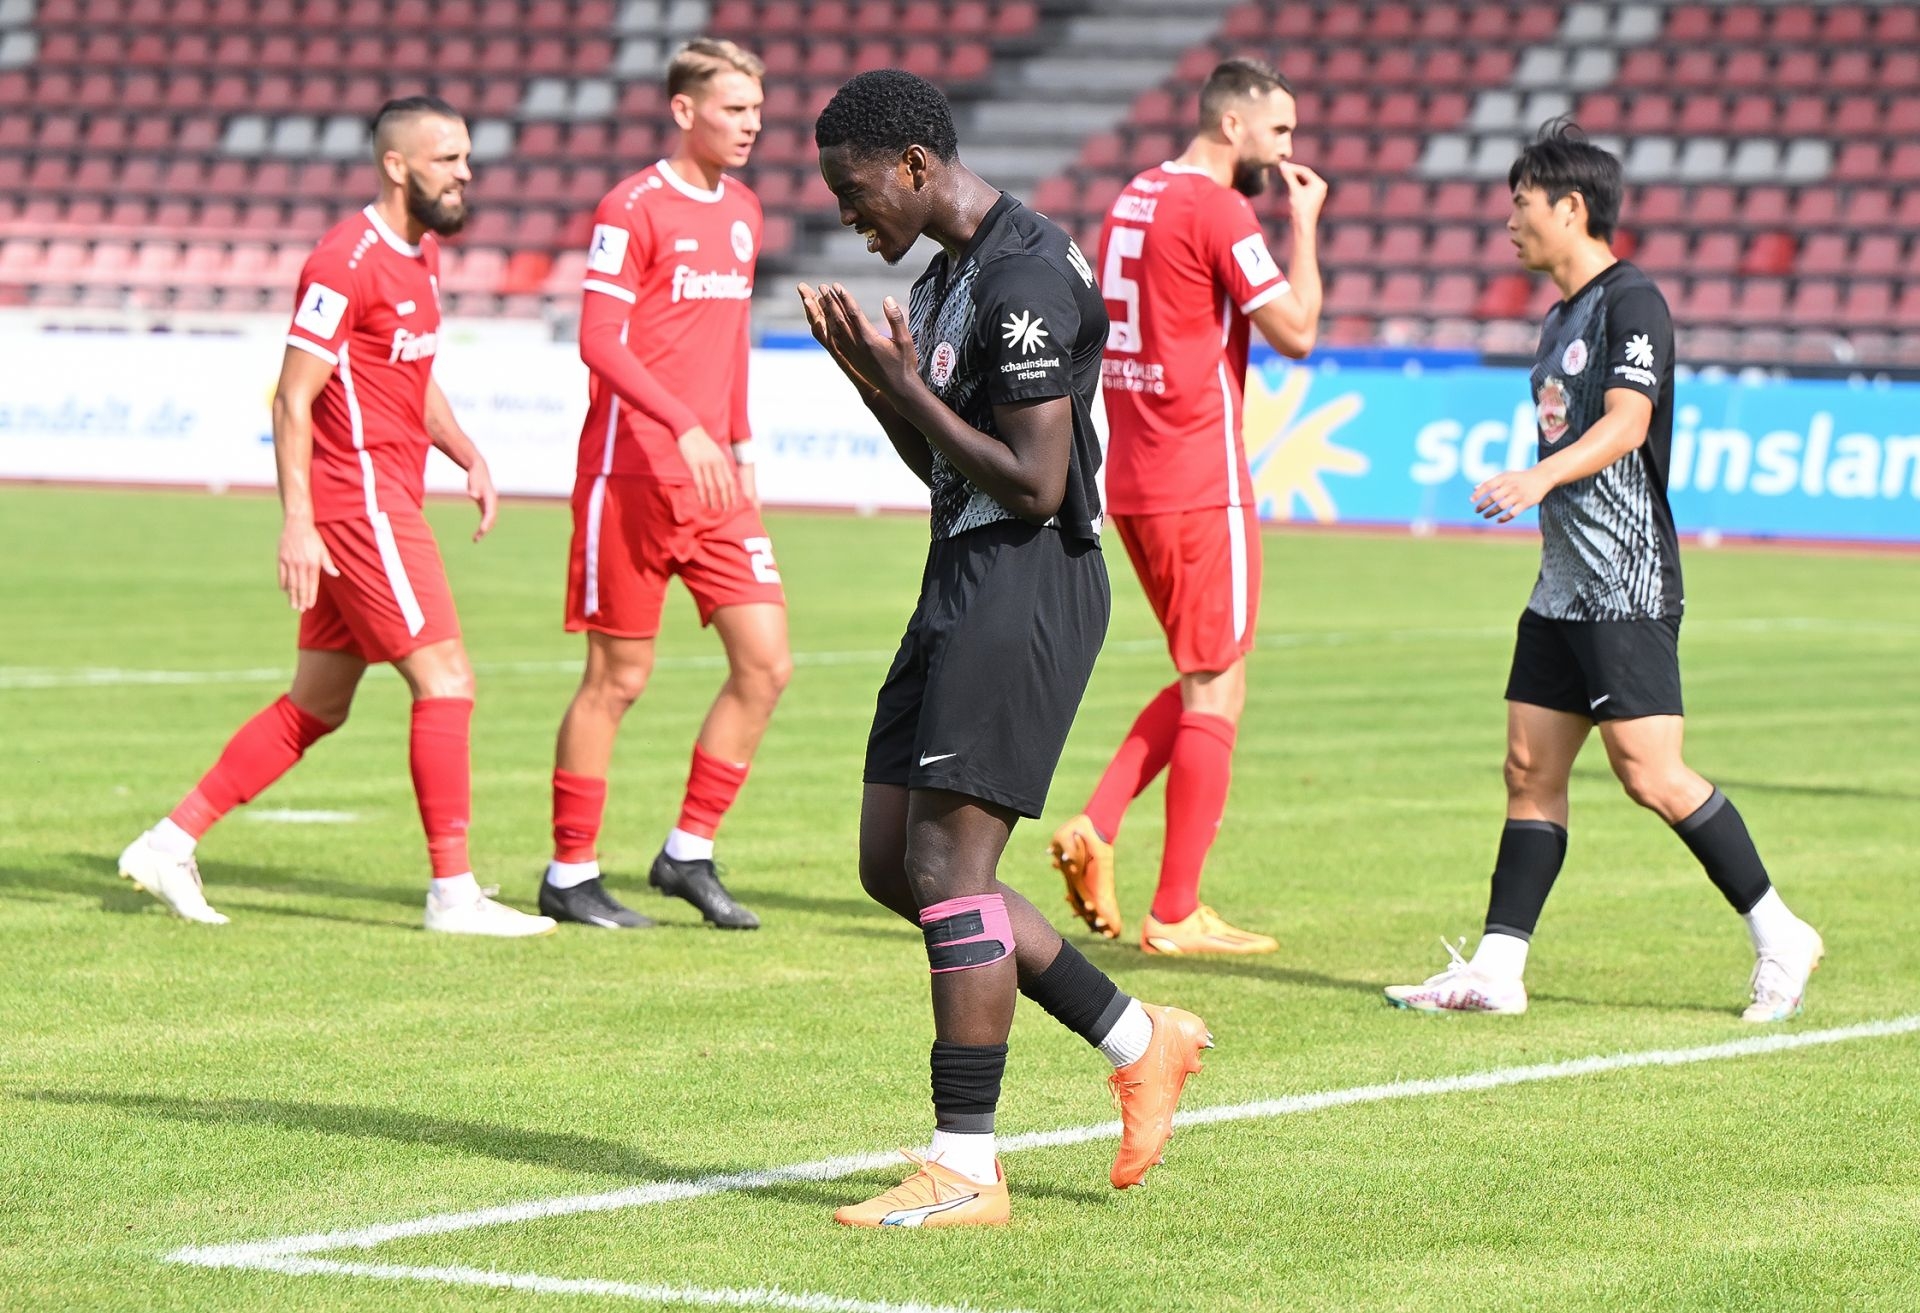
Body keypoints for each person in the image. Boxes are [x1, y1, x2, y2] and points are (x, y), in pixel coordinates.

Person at [799, 69, 1211, 1229]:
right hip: (962, 571)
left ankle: (967, 1165)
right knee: (897, 863)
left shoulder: (1023, 276)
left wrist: (903, 386)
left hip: (1027, 578)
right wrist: (879, 387)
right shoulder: (946, 279)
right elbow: (946, 461)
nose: (846, 213)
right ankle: (1139, 1037)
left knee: (948, 869)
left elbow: (1035, 481)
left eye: (853, 189)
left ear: (915, 166)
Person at [1385, 121, 1822, 1021]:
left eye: (1521, 203)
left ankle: (1782, 933)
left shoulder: (1635, 302)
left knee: (1650, 772)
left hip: (1626, 579)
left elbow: (1628, 421)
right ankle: (1498, 969)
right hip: (1562, 585)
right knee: (1527, 769)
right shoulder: (1558, 317)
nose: (1509, 221)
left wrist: (1538, 476)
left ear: (1570, 208)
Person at [117, 96, 555, 937]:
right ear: (396, 165)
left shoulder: (422, 253)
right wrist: (298, 523)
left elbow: (411, 372)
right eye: (448, 159)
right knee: (447, 680)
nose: (466, 173)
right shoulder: (342, 261)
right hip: (361, 503)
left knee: (317, 704)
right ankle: (453, 894)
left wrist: (464, 450)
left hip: (383, 496)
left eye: (466, 157)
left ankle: (168, 843)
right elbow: (292, 397)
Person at [1050, 58, 1327, 956]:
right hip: (1200, 475)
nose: (1286, 150)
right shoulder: (1219, 209)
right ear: (1234, 125)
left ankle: (1097, 824)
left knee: (1210, 676)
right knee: (1217, 684)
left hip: (1133, 474)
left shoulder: (1135, 195)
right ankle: (1175, 910)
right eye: (1279, 131)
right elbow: (1297, 331)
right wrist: (1305, 228)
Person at [540, 38, 790, 931]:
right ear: (684, 111)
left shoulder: (745, 211)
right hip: (632, 475)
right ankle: (570, 871)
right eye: (734, 109)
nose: (751, 125)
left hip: (715, 480)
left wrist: (740, 438)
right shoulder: (632, 206)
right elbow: (598, 339)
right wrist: (683, 423)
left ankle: (688, 851)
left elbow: (730, 342)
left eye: (756, 110)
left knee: (766, 664)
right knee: (619, 677)